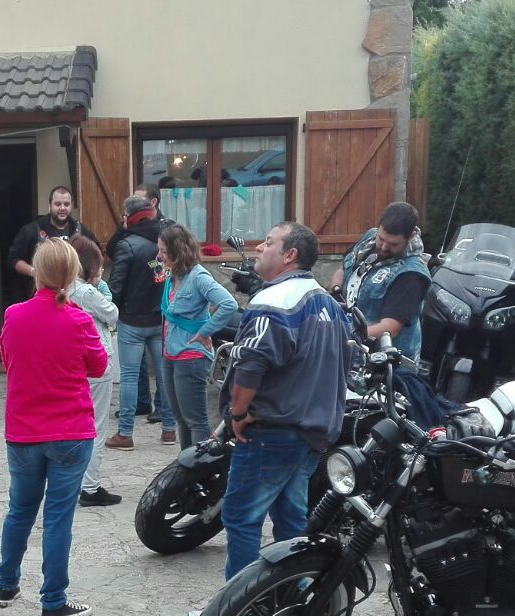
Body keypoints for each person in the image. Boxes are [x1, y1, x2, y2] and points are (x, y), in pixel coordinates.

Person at [218, 222, 355, 585]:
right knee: (291, 521)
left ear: (290, 255)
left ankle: (238, 609)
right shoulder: (328, 304)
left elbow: (250, 364)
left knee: (242, 518)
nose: (259, 248)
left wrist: (238, 412)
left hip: (270, 432)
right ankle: (296, 597)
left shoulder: (273, 302)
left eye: (268, 242)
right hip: (310, 433)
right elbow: (347, 362)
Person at [0, 238, 108, 616]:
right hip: (70, 431)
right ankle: (53, 599)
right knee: (58, 517)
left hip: (24, 430)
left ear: (38, 272)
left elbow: (8, 359)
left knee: (20, 510)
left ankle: (7, 583)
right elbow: (98, 366)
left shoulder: (14, 315)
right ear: (72, 274)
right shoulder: (78, 320)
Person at [157, 223, 239, 449]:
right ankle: (186, 464)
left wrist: (205, 331)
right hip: (170, 354)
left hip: (191, 357)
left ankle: (200, 465)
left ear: (178, 251)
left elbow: (228, 304)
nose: (160, 256)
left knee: (195, 421)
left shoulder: (198, 276)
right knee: (181, 419)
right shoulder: (173, 275)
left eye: (164, 251)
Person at [105, 195, 175, 450]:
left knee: (130, 378)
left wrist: (113, 311)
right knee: (165, 376)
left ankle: (125, 433)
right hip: (161, 318)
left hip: (132, 320)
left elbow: (116, 285)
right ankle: (169, 430)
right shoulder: (167, 240)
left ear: (130, 217)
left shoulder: (127, 244)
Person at [331, 201, 429, 360]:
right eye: (381, 238)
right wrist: (335, 290)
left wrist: (340, 336)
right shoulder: (369, 238)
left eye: (393, 244)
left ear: (411, 236)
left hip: (383, 364)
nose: (383, 247)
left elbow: (390, 328)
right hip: (347, 351)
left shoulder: (411, 275)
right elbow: (343, 268)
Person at [66, 236, 121, 506]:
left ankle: (74, 481)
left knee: (75, 423)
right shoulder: (86, 292)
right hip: (97, 360)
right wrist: (99, 287)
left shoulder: (63, 288)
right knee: (96, 425)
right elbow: (112, 314)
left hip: (74, 362)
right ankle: (90, 486)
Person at [6, 186, 97, 301]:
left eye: (66, 204)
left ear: (72, 206)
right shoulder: (32, 230)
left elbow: (96, 256)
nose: (62, 208)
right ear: (49, 206)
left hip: (74, 296)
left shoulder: (80, 230)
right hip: (39, 295)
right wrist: (34, 272)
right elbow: (13, 259)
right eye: (58, 204)